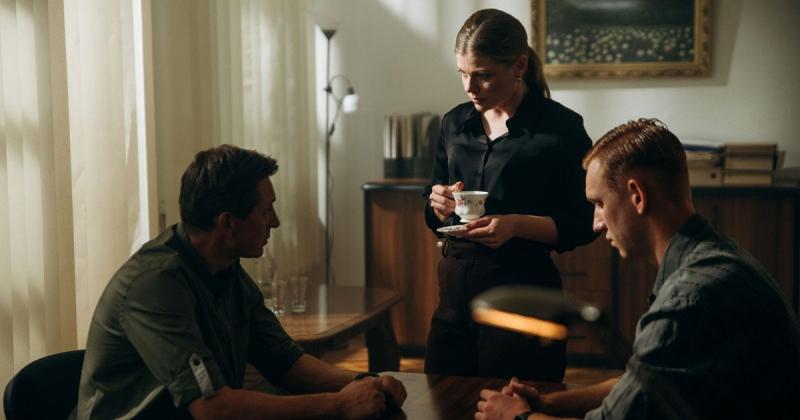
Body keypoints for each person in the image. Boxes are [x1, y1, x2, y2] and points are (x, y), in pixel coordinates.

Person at [475, 119, 800, 420]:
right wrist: (548, 404)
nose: (596, 224)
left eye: (599, 204)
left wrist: (516, 417)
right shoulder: (711, 258)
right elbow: (643, 382)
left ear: (637, 196)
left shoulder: (691, 297)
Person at [71, 145, 406, 419]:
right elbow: (213, 408)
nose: (275, 222)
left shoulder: (224, 268)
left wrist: (365, 383)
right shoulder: (155, 284)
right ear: (228, 223)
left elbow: (284, 360)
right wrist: (338, 405)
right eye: (266, 211)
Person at [424, 8, 596, 381]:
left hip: (523, 298)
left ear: (519, 66)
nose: (470, 87)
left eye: (484, 75)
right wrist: (437, 204)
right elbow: (433, 204)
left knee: (516, 402)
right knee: (440, 399)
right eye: (463, 74)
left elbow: (586, 222)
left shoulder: (561, 128)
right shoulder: (454, 123)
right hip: (453, 294)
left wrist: (516, 225)